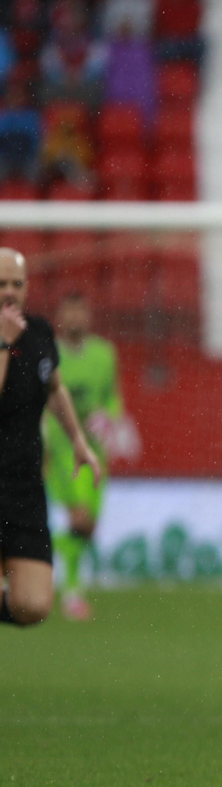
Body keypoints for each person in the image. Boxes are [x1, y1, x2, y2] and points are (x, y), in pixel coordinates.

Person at [0, 249, 101, 627]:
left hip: (25, 490)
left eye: (16, 284)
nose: (9, 291)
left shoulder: (41, 332)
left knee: (33, 606)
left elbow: (55, 389)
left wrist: (78, 439)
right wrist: (3, 343)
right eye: (1, 284)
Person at [44, 292, 133, 621]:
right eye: (69, 312)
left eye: (81, 312)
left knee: (88, 528)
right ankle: (71, 593)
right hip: (64, 449)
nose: (76, 319)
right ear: (59, 317)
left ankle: (22, 553)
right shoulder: (48, 353)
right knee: (79, 518)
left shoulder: (104, 354)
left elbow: (114, 399)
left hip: (96, 452)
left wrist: (106, 414)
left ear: (89, 316)